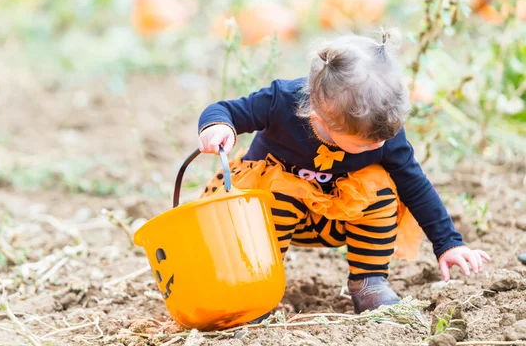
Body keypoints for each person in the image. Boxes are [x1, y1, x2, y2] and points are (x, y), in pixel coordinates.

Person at [196, 30, 491, 314]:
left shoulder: (383, 136)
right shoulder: (280, 101)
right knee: (279, 191)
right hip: (265, 222)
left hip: (334, 217)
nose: (379, 145)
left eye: (384, 139)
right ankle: (255, 285)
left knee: (381, 189)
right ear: (320, 118)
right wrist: (219, 125)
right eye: (366, 144)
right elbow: (226, 110)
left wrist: (448, 243)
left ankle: (368, 281)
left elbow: (415, 185)